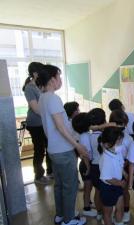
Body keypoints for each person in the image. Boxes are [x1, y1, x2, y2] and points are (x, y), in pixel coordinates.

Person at [37, 64, 88, 225]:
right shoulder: (53, 98)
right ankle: (69, 219)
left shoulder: (43, 97)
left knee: (59, 185)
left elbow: (54, 126)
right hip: (63, 150)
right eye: (59, 77)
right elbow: (60, 127)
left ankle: (60, 215)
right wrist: (77, 145)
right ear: (52, 79)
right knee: (70, 186)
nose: (60, 80)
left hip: (53, 149)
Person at [22, 62, 52, 184]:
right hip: (35, 124)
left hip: (44, 121)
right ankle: (39, 176)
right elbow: (36, 109)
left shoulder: (39, 86)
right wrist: (51, 115)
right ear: (34, 74)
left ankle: (51, 171)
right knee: (39, 150)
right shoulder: (29, 88)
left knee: (50, 147)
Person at [109, 109, 134, 223]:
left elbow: (130, 156)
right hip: (112, 167)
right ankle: (118, 211)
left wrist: (124, 165)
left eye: (123, 124)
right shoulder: (108, 135)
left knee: (124, 191)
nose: (121, 126)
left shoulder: (128, 138)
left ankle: (126, 210)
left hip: (123, 166)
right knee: (114, 190)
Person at [98, 127, 126, 225]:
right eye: (118, 142)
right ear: (107, 144)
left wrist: (126, 175)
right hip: (108, 188)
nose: (120, 144)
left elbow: (120, 166)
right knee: (107, 213)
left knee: (120, 208)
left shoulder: (117, 152)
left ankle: (119, 222)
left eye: (121, 141)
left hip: (118, 185)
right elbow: (107, 178)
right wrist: (121, 183)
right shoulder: (106, 159)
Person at [72, 113, 96, 217]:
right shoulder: (85, 137)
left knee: (89, 187)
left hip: (85, 164)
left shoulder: (82, 135)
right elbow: (85, 154)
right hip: (86, 164)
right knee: (87, 187)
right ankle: (86, 208)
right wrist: (88, 167)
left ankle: (89, 203)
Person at [87, 107, 106, 220]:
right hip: (105, 166)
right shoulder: (106, 135)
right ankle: (107, 214)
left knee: (97, 191)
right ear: (104, 121)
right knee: (107, 191)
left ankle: (99, 213)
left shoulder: (87, 136)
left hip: (94, 166)